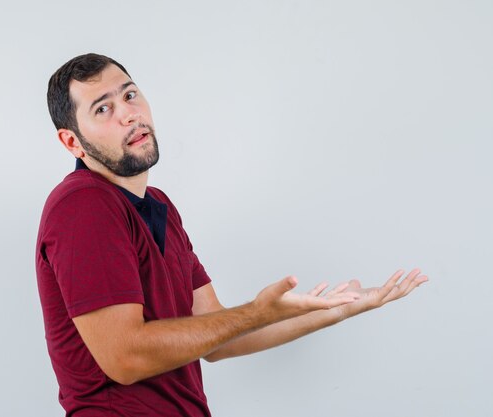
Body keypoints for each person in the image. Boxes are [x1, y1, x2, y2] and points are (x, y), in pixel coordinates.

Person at [36, 53, 428, 416]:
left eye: (130, 94)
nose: (129, 114)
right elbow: (125, 357)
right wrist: (256, 312)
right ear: (72, 142)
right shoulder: (82, 204)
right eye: (103, 108)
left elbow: (218, 334)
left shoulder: (159, 207)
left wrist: (336, 309)